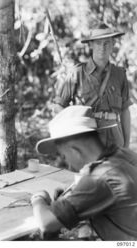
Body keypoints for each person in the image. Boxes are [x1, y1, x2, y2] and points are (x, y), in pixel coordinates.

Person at [32, 105, 137, 240]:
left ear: (75, 151)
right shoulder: (123, 155)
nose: (68, 163)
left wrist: (38, 198)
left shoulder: (100, 178)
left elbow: (46, 223)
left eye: (64, 156)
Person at [53, 23, 132, 148]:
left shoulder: (120, 74)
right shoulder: (77, 73)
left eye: (107, 43)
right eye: (98, 43)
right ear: (91, 45)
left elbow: (125, 111)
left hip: (114, 139)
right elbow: (58, 106)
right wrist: (73, 129)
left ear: (113, 44)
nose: (102, 47)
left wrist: (126, 145)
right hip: (86, 139)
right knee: (87, 168)